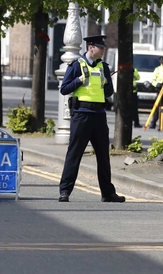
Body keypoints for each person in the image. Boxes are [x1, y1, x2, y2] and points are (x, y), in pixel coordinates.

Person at [58, 35, 125, 203]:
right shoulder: (76, 65)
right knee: (74, 154)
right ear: (90, 48)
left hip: (99, 116)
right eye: (100, 47)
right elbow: (64, 89)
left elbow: (108, 93)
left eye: (103, 47)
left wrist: (106, 82)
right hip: (81, 114)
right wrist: (78, 80)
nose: (103, 50)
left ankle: (108, 193)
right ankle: (65, 191)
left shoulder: (103, 67)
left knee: (103, 156)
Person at [148, 56, 163, 129]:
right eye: (161, 61)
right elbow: (153, 80)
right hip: (159, 90)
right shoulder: (157, 69)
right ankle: (153, 123)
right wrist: (157, 85)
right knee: (157, 107)